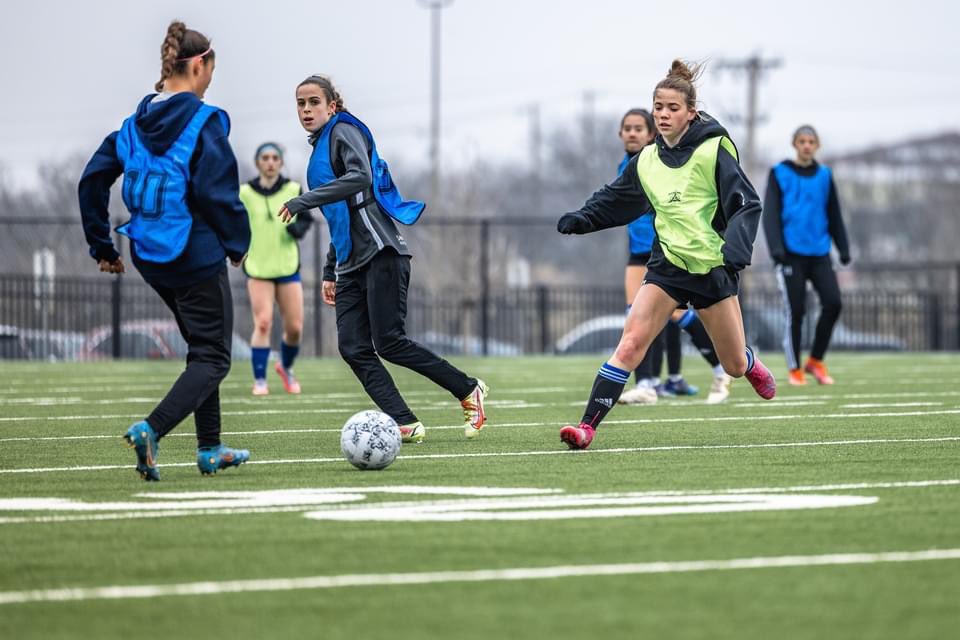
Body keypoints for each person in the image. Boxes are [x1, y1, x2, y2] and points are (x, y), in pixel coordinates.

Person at [556, 59, 776, 450]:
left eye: (673, 108)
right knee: (630, 343)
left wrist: (737, 250)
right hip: (667, 266)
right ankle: (586, 427)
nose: (663, 114)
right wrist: (583, 218)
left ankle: (750, 362)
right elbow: (617, 198)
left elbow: (746, 203)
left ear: (691, 112)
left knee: (733, 366)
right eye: (658, 107)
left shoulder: (714, 150)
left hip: (713, 268)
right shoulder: (647, 160)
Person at [78, 21, 251, 480]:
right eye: (210, 70)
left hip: (150, 255)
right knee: (214, 356)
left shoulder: (133, 125)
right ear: (198, 65)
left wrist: (102, 245)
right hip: (193, 253)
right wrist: (239, 244)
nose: (211, 79)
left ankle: (210, 447)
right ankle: (152, 429)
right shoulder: (203, 119)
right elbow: (218, 193)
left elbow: (91, 180)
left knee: (202, 348)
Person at [278, 75, 488, 444]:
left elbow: (360, 178)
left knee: (389, 341)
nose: (306, 109)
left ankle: (468, 390)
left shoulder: (344, 130)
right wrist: (330, 268)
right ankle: (404, 421)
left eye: (314, 102)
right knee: (353, 347)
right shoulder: (320, 148)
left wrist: (302, 200)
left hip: (381, 252)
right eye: (300, 103)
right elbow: (339, 216)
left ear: (332, 106)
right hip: (350, 263)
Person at [614, 108, 733, 406]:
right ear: (619, 134)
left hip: (666, 250)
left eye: (638, 128)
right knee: (635, 317)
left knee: (681, 315)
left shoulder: (660, 161)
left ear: (651, 134)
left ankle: (722, 369)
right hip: (637, 252)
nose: (632, 133)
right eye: (627, 128)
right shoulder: (624, 166)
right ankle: (646, 385)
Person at [763, 125, 850, 385]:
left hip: (820, 252)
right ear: (794, 143)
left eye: (811, 141)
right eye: (802, 141)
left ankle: (816, 361)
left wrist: (843, 248)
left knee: (833, 303)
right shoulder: (779, 173)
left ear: (817, 145)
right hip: (790, 254)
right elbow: (770, 215)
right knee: (797, 310)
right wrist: (776, 249)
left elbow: (834, 213)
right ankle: (795, 369)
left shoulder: (825, 175)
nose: (807, 146)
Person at [239, 142, 312, 395]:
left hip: (287, 265)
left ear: (281, 162)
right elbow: (233, 221)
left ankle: (286, 367)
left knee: (295, 328)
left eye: (274, 158)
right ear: (257, 162)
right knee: (263, 323)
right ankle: (260, 379)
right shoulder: (244, 193)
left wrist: (297, 229)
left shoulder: (293, 189)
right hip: (258, 266)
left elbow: (307, 218)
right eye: (265, 158)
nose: (270, 162)